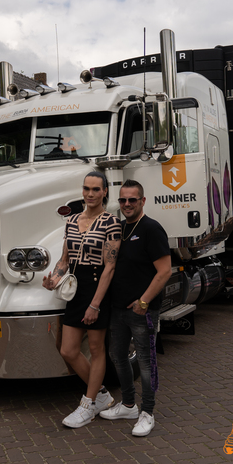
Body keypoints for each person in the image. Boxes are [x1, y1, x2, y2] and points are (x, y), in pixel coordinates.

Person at [43, 171, 121, 428]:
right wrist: (54, 278)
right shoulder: (72, 220)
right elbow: (66, 260)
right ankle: (101, 395)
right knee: (67, 350)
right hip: (75, 288)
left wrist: (95, 304)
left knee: (97, 349)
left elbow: (110, 267)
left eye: (96, 189)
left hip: (98, 287)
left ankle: (87, 405)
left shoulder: (111, 222)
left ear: (105, 192)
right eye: (86, 188)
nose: (90, 194)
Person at [100, 179, 171, 437]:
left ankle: (147, 413)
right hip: (117, 309)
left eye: (132, 199)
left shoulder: (152, 229)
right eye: (122, 200)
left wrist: (143, 302)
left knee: (145, 362)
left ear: (142, 201)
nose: (127, 204)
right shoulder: (119, 229)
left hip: (142, 311)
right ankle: (129, 405)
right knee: (117, 357)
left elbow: (164, 272)